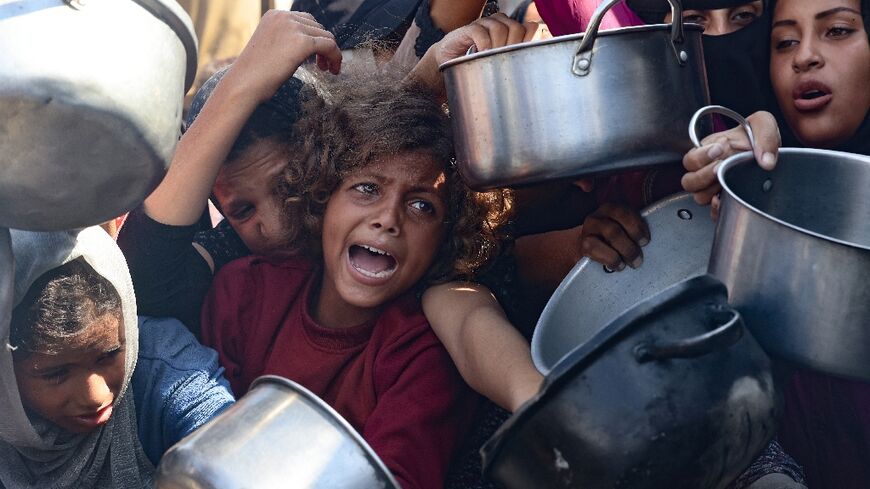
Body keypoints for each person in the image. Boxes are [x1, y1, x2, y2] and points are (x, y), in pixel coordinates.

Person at [683, 1, 870, 487]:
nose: (804, 56)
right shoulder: (753, 194)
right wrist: (745, 180)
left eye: (838, 30)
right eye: (784, 41)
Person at [117, 11, 342, 336]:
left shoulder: (377, 219)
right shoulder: (232, 253)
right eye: (243, 210)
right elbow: (147, 280)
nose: (277, 228)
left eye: (289, 185)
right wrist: (241, 85)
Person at [0, 226, 234, 488]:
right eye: (57, 373)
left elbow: (231, 446)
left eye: (109, 355)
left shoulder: (166, 365)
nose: (96, 396)